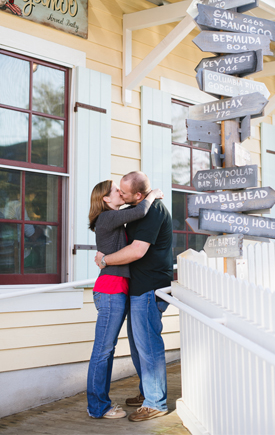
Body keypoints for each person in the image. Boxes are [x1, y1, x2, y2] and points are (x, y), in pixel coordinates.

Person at [95, 171, 174, 422]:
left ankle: (155, 403)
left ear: (138, 195)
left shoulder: (153, 210)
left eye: (125, 192)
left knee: (148, 347)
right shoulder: (136, 209)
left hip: (149, 287)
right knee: (138, 347)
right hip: (136, 288)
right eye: (118, 191)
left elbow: (137, 251)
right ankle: (147, 392)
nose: (121, 194)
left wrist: (105, 261)